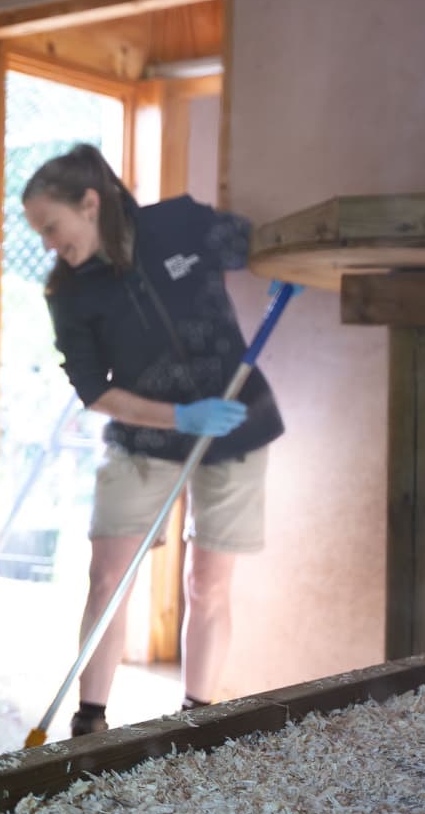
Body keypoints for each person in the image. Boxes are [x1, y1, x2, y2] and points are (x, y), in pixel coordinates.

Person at [21, 144, 284, 737]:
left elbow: (264, 247)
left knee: (208, 581)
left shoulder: (181, 225)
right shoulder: (69, 292)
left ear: (90, 204)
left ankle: (196, 722)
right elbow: (93, 389)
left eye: (50, 226)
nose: (46, 243)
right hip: (144, 436)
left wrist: (293, 270)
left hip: (238, 420)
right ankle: (90, 723)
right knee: (109, 576)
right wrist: (180, 416)